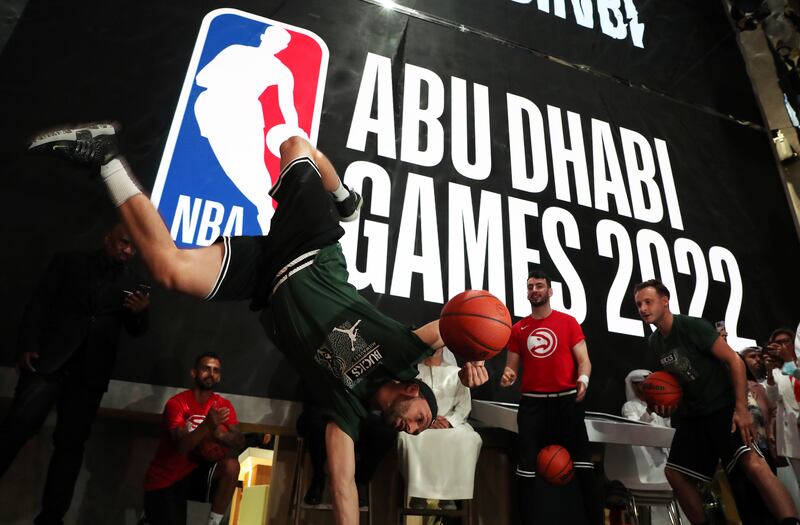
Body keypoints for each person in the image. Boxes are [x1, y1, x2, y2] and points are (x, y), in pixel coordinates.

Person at [28, 124, 489, 525]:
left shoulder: (347, 412)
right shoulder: (403, 354)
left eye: (419, 430)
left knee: (170, 270)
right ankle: (346, 200)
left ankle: (104, 157)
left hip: (266, 276)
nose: (414, 428)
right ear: (413, 392)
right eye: (422, 420)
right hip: (310, 249)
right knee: (293, 144)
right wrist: (473, 358)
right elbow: (453, 322)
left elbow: (345, 488)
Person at [0, 223, 150, 525]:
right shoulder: (69, 262)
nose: (127, 251)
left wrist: (140, 313)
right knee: (16, 430)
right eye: (123, 243)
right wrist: (27, 345)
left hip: (90, 376)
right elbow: (39, 303)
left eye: (133, 247)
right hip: (49, 361)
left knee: (70, 447)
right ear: (107, 238)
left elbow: (137, 331)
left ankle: (51, 519)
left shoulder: (134, 283)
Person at [632, 279, 799, 525]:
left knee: (751, 463)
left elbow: (734, 361)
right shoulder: (655, 342)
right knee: (674, 473)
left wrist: (741, 409)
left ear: (665, 301)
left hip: (721, 406)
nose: (643, 308)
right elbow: (673, 384)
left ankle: (790, 521)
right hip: (694, 414)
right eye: (638, 305)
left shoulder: (691, 326)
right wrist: (663, 404)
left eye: (648, 301)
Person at [499, 270, 602, 525]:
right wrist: (508, 375)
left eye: (539, 286)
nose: (534, 290)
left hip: (567, 401)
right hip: (532, 404)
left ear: (550, 291)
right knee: (526, 466)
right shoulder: (518, 328)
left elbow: (584, 361)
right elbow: (511, 366)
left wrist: (584, 380)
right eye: (530, 286)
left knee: (583, 466)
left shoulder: (568, 322)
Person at [142, 353, 244, 525]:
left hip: (197, 474)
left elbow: (240, 441)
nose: (211, 374)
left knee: (232, 466)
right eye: (206, 369)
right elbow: (181, 447)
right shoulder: (177, 404)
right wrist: (207, 426)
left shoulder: (223, 406)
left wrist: (222, 436)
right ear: (194, 373)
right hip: (168, 477)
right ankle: (149, 516)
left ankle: (214, 522)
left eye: (216, 370)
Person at [397, 347, 483, 510]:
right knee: (407, 438)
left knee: (469, 439)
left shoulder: (457, 372)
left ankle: (449, 495)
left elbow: (464, 406)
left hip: (449, 425)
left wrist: (450, 421)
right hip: (418, 424)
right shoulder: (412, 373)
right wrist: (426, 421)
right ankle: (418, 494)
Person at [764, 329, 800, 483]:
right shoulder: (777, 371)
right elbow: (772, 398)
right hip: (792, 433)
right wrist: (770, 373)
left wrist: (790, 361)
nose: (782, 345)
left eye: (786, 341)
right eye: (777, 343)